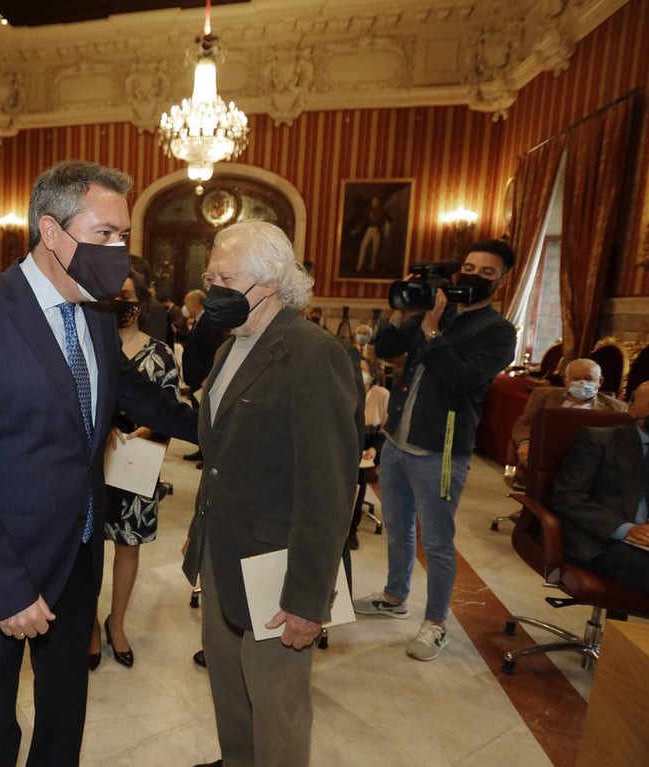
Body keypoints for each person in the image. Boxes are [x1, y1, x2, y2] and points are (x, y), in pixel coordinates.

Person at [0, 159, 197, 767]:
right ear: (51, 232)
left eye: (124, 236)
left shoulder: (97, 314)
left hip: (76, 556)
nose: (119, 250)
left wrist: (229, 425)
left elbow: (139, 397)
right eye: (105, 234)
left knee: (65, 709)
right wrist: (4, 586)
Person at [182, 221, 359, 767]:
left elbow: (328, 488)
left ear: (271, 283)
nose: (213, 291)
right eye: (210, 277)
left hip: (275, 566)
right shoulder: (230, 346)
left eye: (225, 278)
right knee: (228, 682)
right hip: (221, 549)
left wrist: (307, 598)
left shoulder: (312, 353)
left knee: (276, 700)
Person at [353, 239, 517, 661]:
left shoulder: (498, 332)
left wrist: (431, 330)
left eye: (486, 272)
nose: (474, 276)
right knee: (398, 526)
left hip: (442, 451)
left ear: (502, 280)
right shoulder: (436, 309)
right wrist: (402, 306)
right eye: (469, 267)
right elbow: (387, 349)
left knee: (438, 541)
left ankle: (437, 622)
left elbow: (462, 379)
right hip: (397, 441)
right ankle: (394, 596)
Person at [88, 269, 181, 671]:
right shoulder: (91, 345)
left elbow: (171, 409)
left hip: (137, 463)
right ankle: (89, 626)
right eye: (112, 295)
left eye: (126, 295)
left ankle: (117, 623)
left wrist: (143, 429)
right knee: (86, 548)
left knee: (128, 546)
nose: (119, 303)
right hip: (93, 463)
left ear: (141, 303)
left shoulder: (159, 353)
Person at [550, 380, 649, 596]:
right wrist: (627, 529)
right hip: (602, 538)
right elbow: (568, 497)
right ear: (633, 410)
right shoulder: (598, 439)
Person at [511, 358, 626, 468]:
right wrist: (525, 442)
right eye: (576, 379)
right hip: (548, 453)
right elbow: (524, 423)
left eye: (589, 379)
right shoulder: (542, 396)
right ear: (566, 381)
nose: (582, 383)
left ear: (600, 381)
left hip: (590, 461)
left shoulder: (616, 408)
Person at [348, 357, 390, 551]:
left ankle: (351, 530)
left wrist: (373, 450)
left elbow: (386, 429)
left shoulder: (381, 394)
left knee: (359, 478)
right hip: (347, 442)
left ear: (371, 376)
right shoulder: (345, 390)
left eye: (363, 370)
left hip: (371, 444)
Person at [180, 287, 226, 462]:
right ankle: (201, 450)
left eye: (186, 303)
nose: (186, 307)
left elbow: (214, 350)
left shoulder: (209, 321)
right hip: (195, 377)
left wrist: (209, 376)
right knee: (199, 416)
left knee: (205, 417)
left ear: (194, 303)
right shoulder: (200, 320)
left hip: (203, 378)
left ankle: (208, 455)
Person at [353, 196, 391, 272]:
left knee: (375, 250)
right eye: (373, 201)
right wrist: (357, 230)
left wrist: (382, 229)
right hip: (369, 230)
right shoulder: (369, 211)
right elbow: (365, 222)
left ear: (378, 202)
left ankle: (372, 268)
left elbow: (388, 221)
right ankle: (359, 267)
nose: (374, 203)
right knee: (363, 246)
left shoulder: (382, 211)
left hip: (377, 231)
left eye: (375, 201)